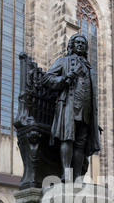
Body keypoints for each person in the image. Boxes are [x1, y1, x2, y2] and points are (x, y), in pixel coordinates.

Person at [42, 34, 100, 183]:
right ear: (72, 46)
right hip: (68, 106)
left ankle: (77, 177)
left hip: (86, 111)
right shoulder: (63, 61)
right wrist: (64, 79)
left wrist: (95, 119)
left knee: (81, 144)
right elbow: (47, 79)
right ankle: (66, 173)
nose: (80, 45)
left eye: (83, 43)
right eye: (77, 43)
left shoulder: (89, 69)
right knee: (67, 137)